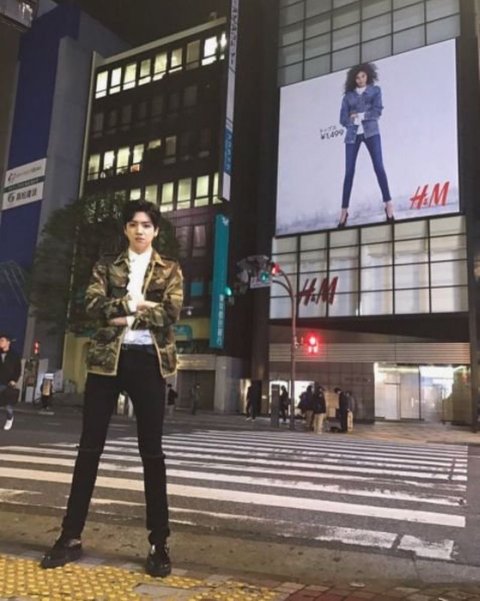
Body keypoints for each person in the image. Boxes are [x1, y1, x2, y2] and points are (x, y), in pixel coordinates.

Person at [41, 200, 183, 577]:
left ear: (155, 230)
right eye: (134, 224)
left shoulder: (170, 268)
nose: (140, 230)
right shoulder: (106, 265)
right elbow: (92, 304)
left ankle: (159, 543)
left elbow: (171, 312)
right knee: (89, 449)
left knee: (152, 453)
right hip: (106, 362)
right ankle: (70, 537)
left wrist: (121, 313)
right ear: (125, 229)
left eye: (147, 225)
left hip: (149, 362)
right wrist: (134, 305)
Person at [337, 62, 393, 228]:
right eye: (357, 77)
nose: (361, 79)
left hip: (371, 132)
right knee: (349, 173)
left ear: (367, 75)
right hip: (352, 136)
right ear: (353, 79)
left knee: (379, 167)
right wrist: (351, 120)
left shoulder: (375, 91)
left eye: (363, 76)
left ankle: (388, 205)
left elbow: (377, 111)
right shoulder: (348, 97)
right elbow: (342, 119)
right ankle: (344, 212)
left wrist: (360, 115)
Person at [0, 333, 21, 431]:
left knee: (8, 405)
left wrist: (14, 380)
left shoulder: (14, 356)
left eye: (2, 340)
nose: (0, 342)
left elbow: (18, 370)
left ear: (8, 342)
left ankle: (9, 418)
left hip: (8, 382)